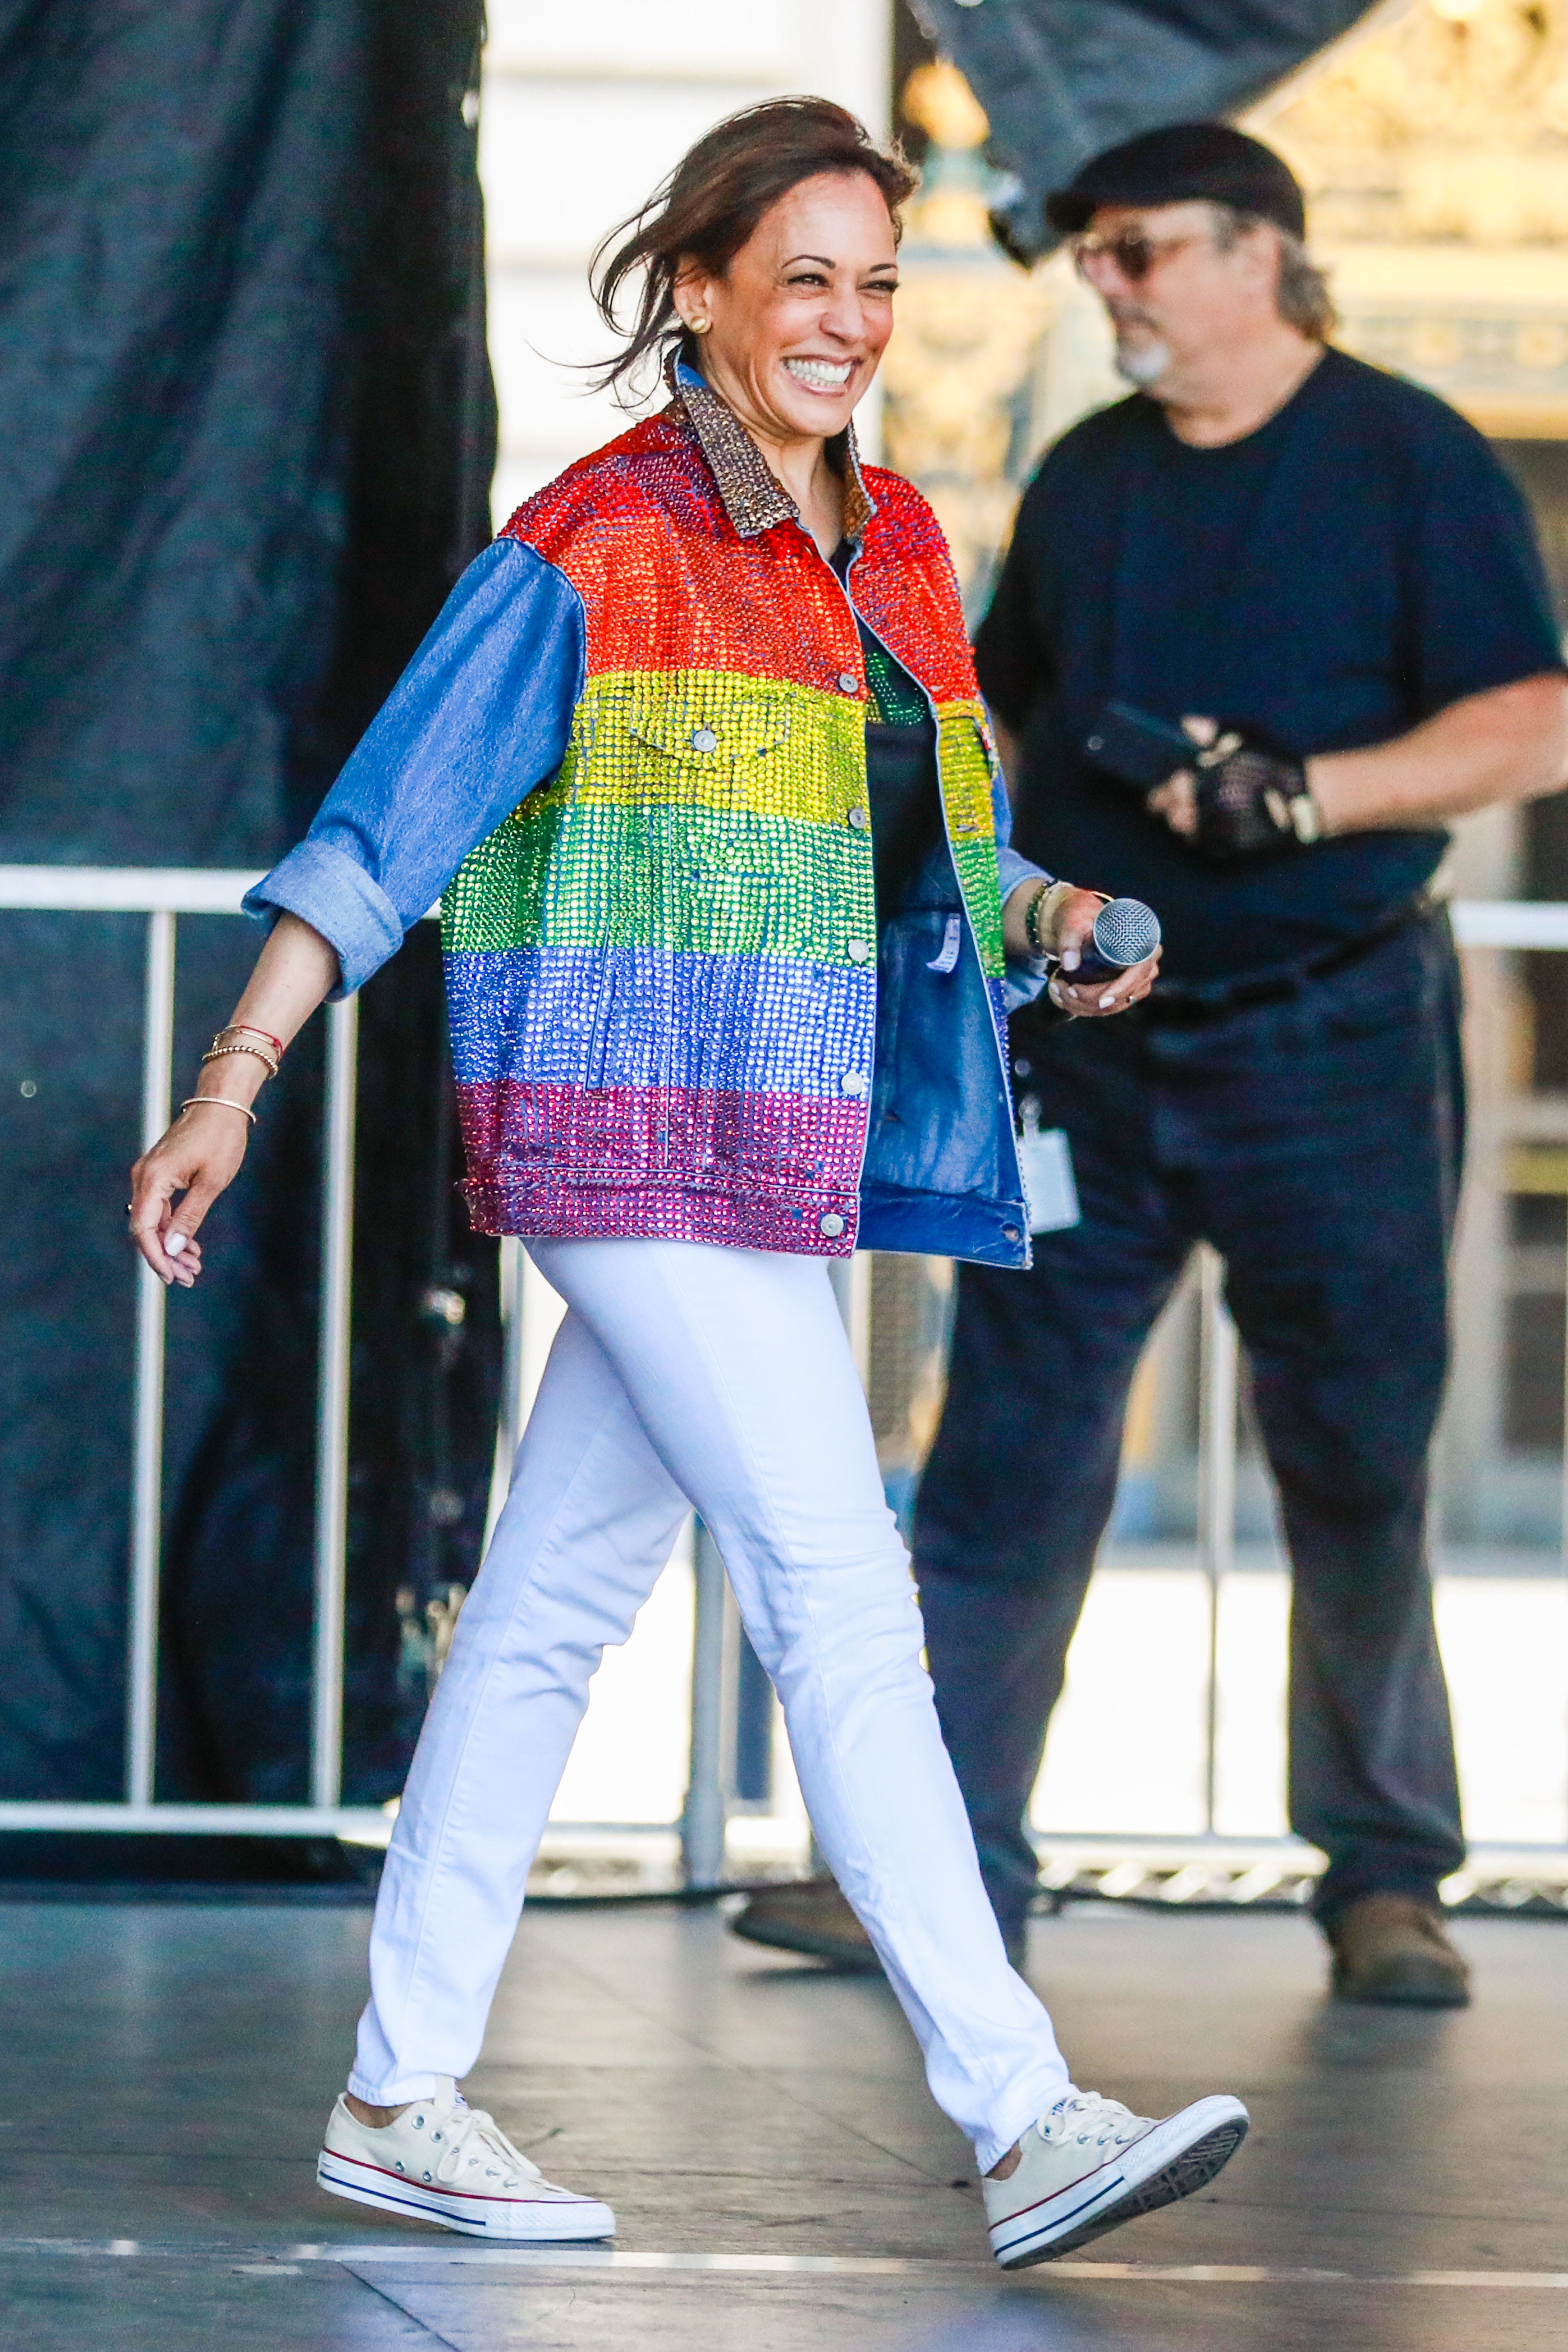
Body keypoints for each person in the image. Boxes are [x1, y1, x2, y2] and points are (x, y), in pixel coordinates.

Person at [127, 100, 1244, 2272]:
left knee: (548, 1612)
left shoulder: (902, 547)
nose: (847, 321)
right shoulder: (589, 544)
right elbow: (385, 831)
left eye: (880, 284)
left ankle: (396, 2088)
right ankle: (1019, 2111)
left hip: (780, 1149)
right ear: (709, 286)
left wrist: (1052, 918)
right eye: (806, 276)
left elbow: (932, 845)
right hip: (619, 1129)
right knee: (841, 1584)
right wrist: (233, 1076)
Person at [735, 120, 1568, 2002]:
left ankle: (1381, 1876)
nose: (1102, 282)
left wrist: (1309, 794)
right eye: (1093, 254)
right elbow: (1002, 722)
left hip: (1336, 1030)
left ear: (1256, 252)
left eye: (1136, 250)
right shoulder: (1096, 473)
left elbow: (1536, 721)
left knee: (1353, 1450)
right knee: (1012, 1457)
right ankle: (930, 1871)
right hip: (1097, 1043)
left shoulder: (1409, 457)